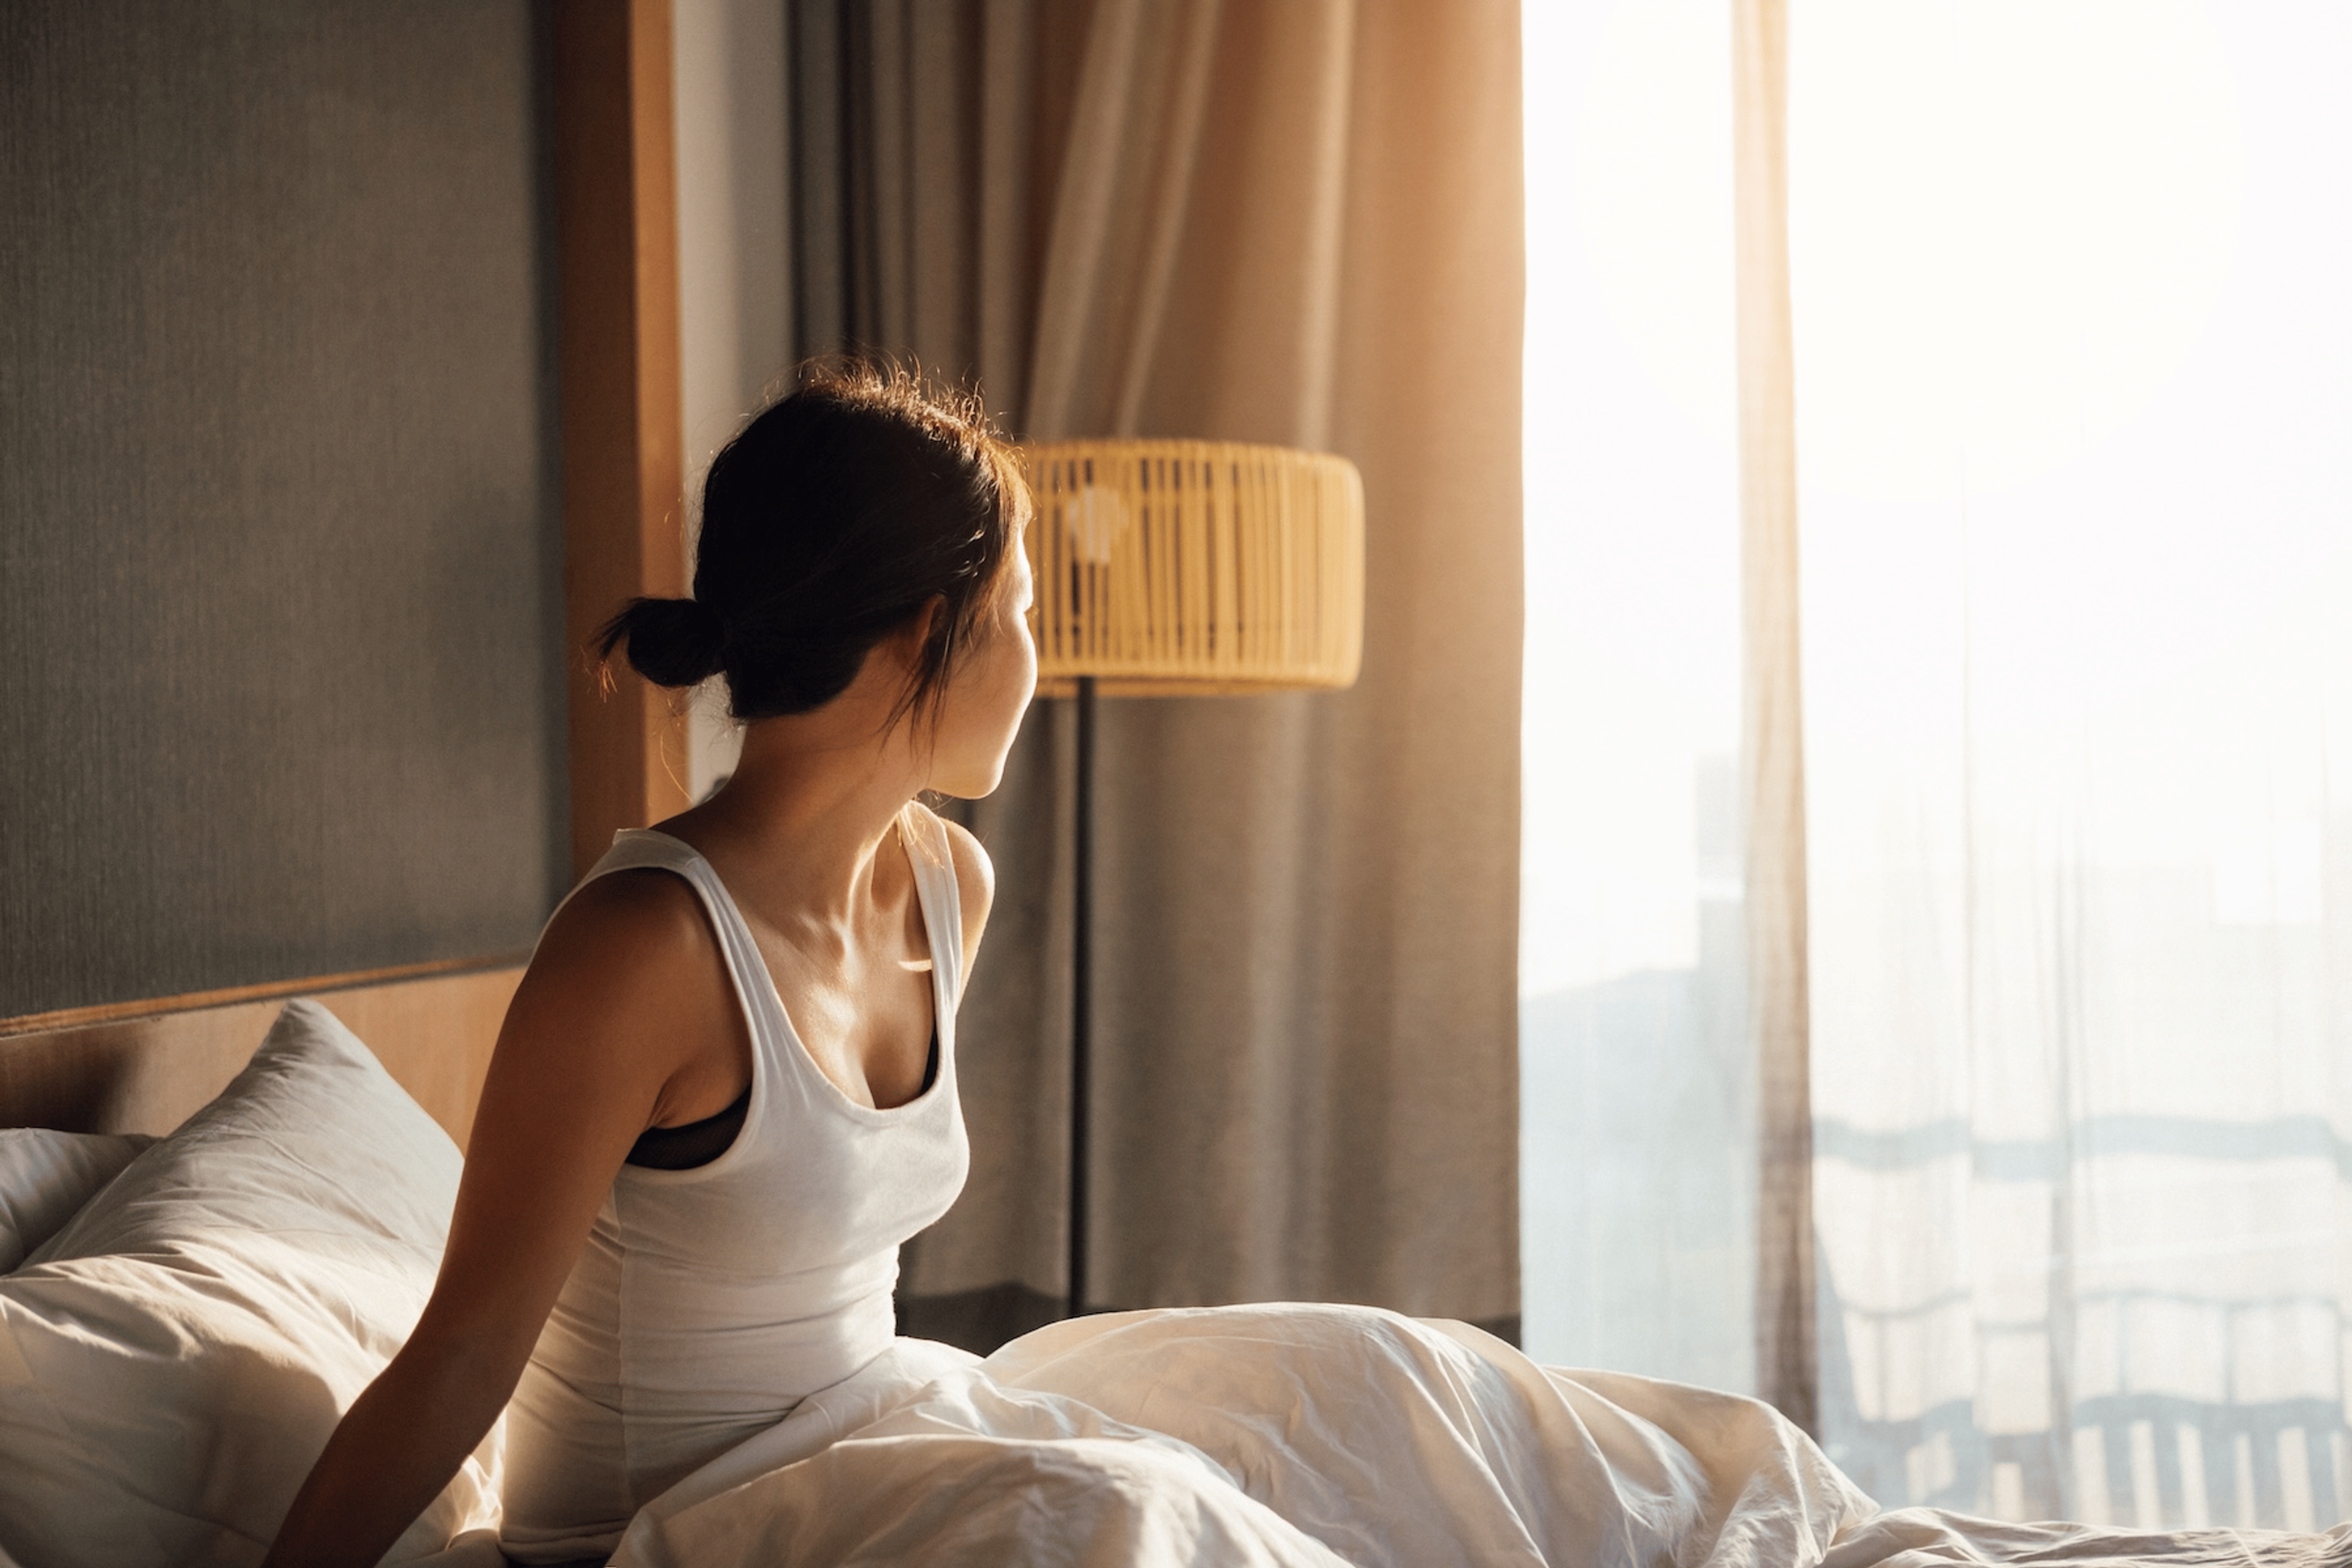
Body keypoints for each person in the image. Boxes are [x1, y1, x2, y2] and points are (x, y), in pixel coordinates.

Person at [262, 361, 1038, 1566]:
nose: (1042, 659)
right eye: (1025, 613)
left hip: (855, 1470)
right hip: (654, 1536)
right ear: (931, 631)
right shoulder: (644, 949)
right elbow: (464, 1348)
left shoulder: (947, 890)